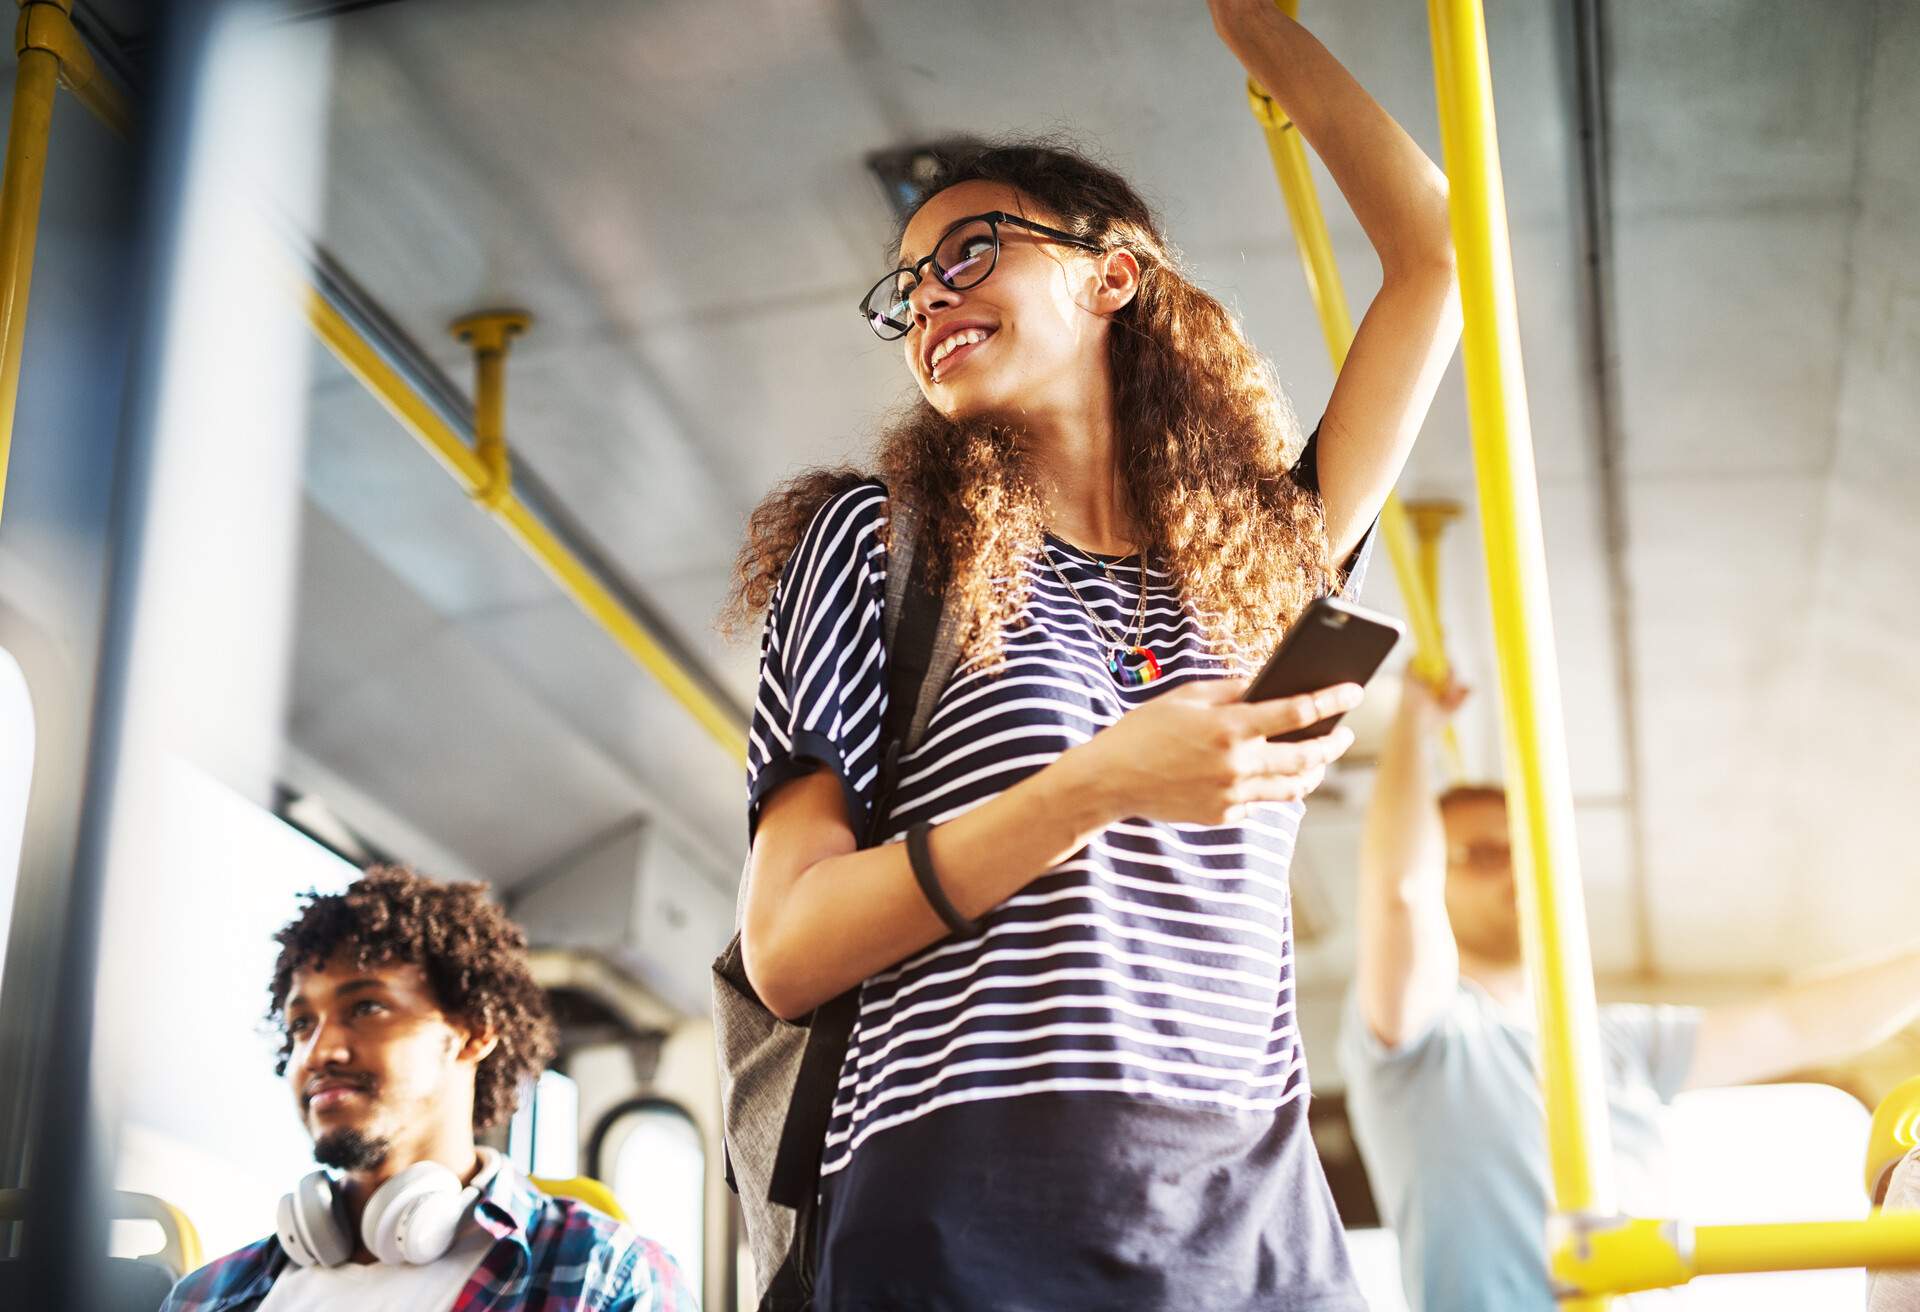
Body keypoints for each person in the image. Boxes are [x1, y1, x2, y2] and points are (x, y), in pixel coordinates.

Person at [723, 3, 1461, 1305]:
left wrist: (1257, 25)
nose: (930, 296)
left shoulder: (1258, 562)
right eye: (909, 284)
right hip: (967, 1209)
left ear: (1111, 276)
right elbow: (788, 944)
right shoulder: (879, 546)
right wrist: (1100, 783)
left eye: (971, 250)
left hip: (1252, 1225)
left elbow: (1438, 257)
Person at [1343, 676, 1920, 1311]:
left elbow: (1796, 1025)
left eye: (1523, 853)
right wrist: (1412, 724)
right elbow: (1401, 896)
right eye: (1482, 854)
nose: (1513, 871)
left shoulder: (1610, 1040)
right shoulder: (1428, 1036)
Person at [162, 866, 697, 1312]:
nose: (319, 1053)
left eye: (366, 1008)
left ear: (473, 1031)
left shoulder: (603, 1276)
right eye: (303, 1024)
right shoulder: (209, 1296)